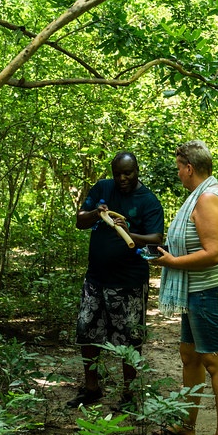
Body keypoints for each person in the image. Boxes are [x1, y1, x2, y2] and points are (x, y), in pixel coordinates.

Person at [150, 140, 218, 435]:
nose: (178, 174)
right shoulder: (200, 195)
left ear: (189, 168)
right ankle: (186, 427)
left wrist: (172, 262)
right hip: (195, 289)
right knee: (190, 355)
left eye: (178, 168)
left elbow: (214, 252)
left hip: (209, 290)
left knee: (216, 362)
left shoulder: (208, 199)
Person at [68, 152, 165, 409]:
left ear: (137, 170)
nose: (122, 178)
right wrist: (95, 213)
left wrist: (129, 229)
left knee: (130, 338)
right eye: (118, 173)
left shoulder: (148, 201)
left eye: (128, 173)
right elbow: (79, 220)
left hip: (129, 282)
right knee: (87, 332)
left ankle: (130, 396)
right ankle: (91, 389)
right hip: (96, 279)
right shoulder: (103, 187)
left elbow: (156, 238)